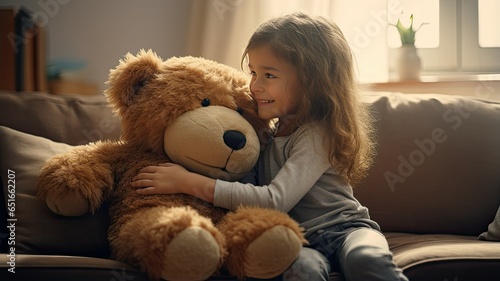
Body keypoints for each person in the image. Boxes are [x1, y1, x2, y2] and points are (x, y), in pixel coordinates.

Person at [131, 12, 408, 281]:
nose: (255, 86)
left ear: (313, 81)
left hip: (346, 229)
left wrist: (188, 183)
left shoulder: (317, 134)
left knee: (366, 259)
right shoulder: (263, 135)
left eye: (269, 76)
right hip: (298, 240)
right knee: (301, 271)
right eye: (253, 72)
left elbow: (275, 200)